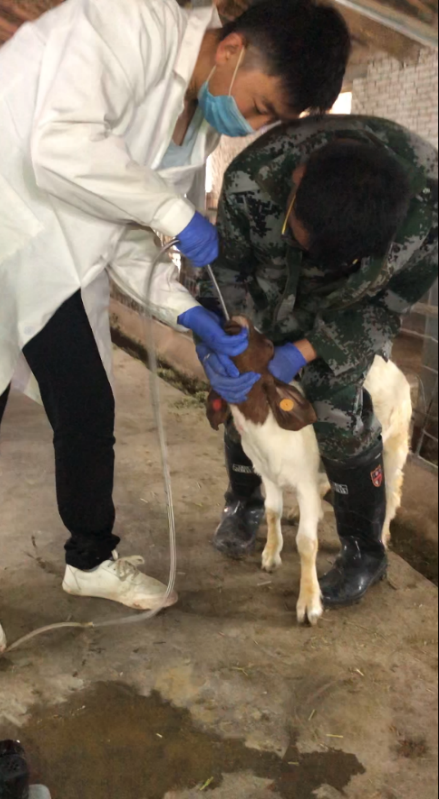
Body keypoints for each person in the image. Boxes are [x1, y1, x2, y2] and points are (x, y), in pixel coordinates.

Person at [0, 0, 351, 661]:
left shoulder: (195, 132)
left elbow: (130, 236)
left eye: (268, 121)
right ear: (231, 50)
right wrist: (173, 213)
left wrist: (187, 312)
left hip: (54, 267)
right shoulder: (124, 23)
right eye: (259, 107)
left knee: (87, 407)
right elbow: (58, 146)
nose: (251, 125)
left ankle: (90, 559)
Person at [197, 114, 438, 607]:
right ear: (298, 178)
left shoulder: (430, 207)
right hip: (264, 302)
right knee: (245, 394)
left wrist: (307, 351)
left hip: (346, 312)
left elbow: (388, 305)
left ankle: (364, 550)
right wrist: (221, 337)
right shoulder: (252, 178)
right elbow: (226, 272)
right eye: (301, 232)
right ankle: (244, 503)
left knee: (338, 409)